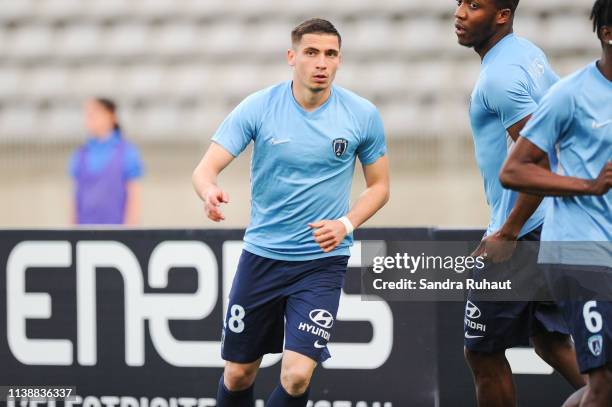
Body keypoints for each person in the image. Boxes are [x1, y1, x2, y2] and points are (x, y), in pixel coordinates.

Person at [191, 19, 389, 406]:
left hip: (321, 263)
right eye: (311, 52)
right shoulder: (260, 106)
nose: (321, 62)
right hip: (262, 258)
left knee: (297, 376)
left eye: (330, 54)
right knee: (237, 374)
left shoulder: (361, 115)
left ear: (339, 60)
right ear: (291, 56)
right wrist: (209, 191)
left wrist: (346, 223)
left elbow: (380, 187)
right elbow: (204, 169)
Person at [453, 0, 585, 405]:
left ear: (502, 15)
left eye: (474, 6)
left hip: (523, 231)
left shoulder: (500, 77)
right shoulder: (527, 53)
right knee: (549, 338)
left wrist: (508, 231)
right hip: (553, 224)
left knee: (481, 351)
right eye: (459, 2)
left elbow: (540, 156)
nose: (459, 13)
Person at [500, 1, 612, 405]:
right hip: (580, 253)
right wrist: (588, 185)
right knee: (604, 385)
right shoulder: (571, 94)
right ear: (607, 33)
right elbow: (514, 171)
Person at [69, 98, 144, 225]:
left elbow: (134, 197)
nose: (90, 119)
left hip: (116, 234)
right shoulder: (80, 154)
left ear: (111, 116)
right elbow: (75, 199)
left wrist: (130, 229)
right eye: (88, 115)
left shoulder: (127, 153)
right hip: (84, 232)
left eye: (95, 114)